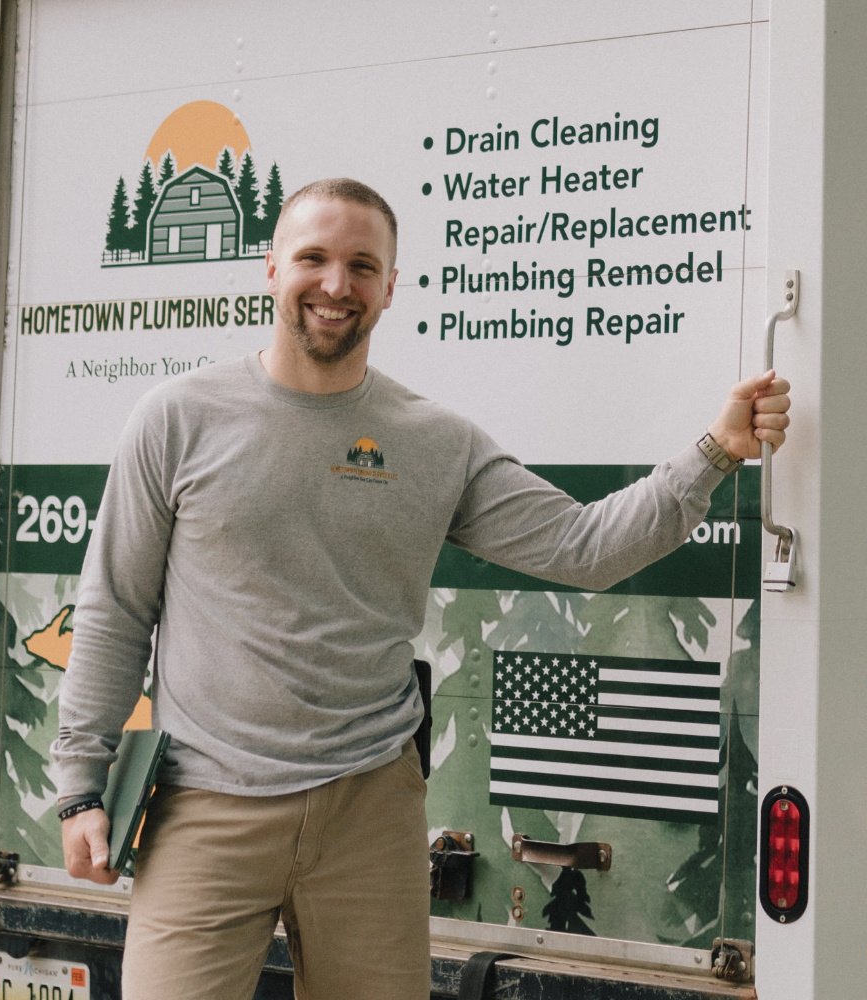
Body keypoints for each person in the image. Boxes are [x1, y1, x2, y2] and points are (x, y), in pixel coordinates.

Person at [52, 177, 791, 1000]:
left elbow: (586, 547)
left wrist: (717, 451)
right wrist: (82, 785)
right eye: (315, 259)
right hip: (206, 807)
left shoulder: (433, 443)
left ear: (391, 288)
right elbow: (116, 606)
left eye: (363, 266)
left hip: (369, 810)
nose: (337, 285)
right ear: (270, 270)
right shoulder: (177, 418)